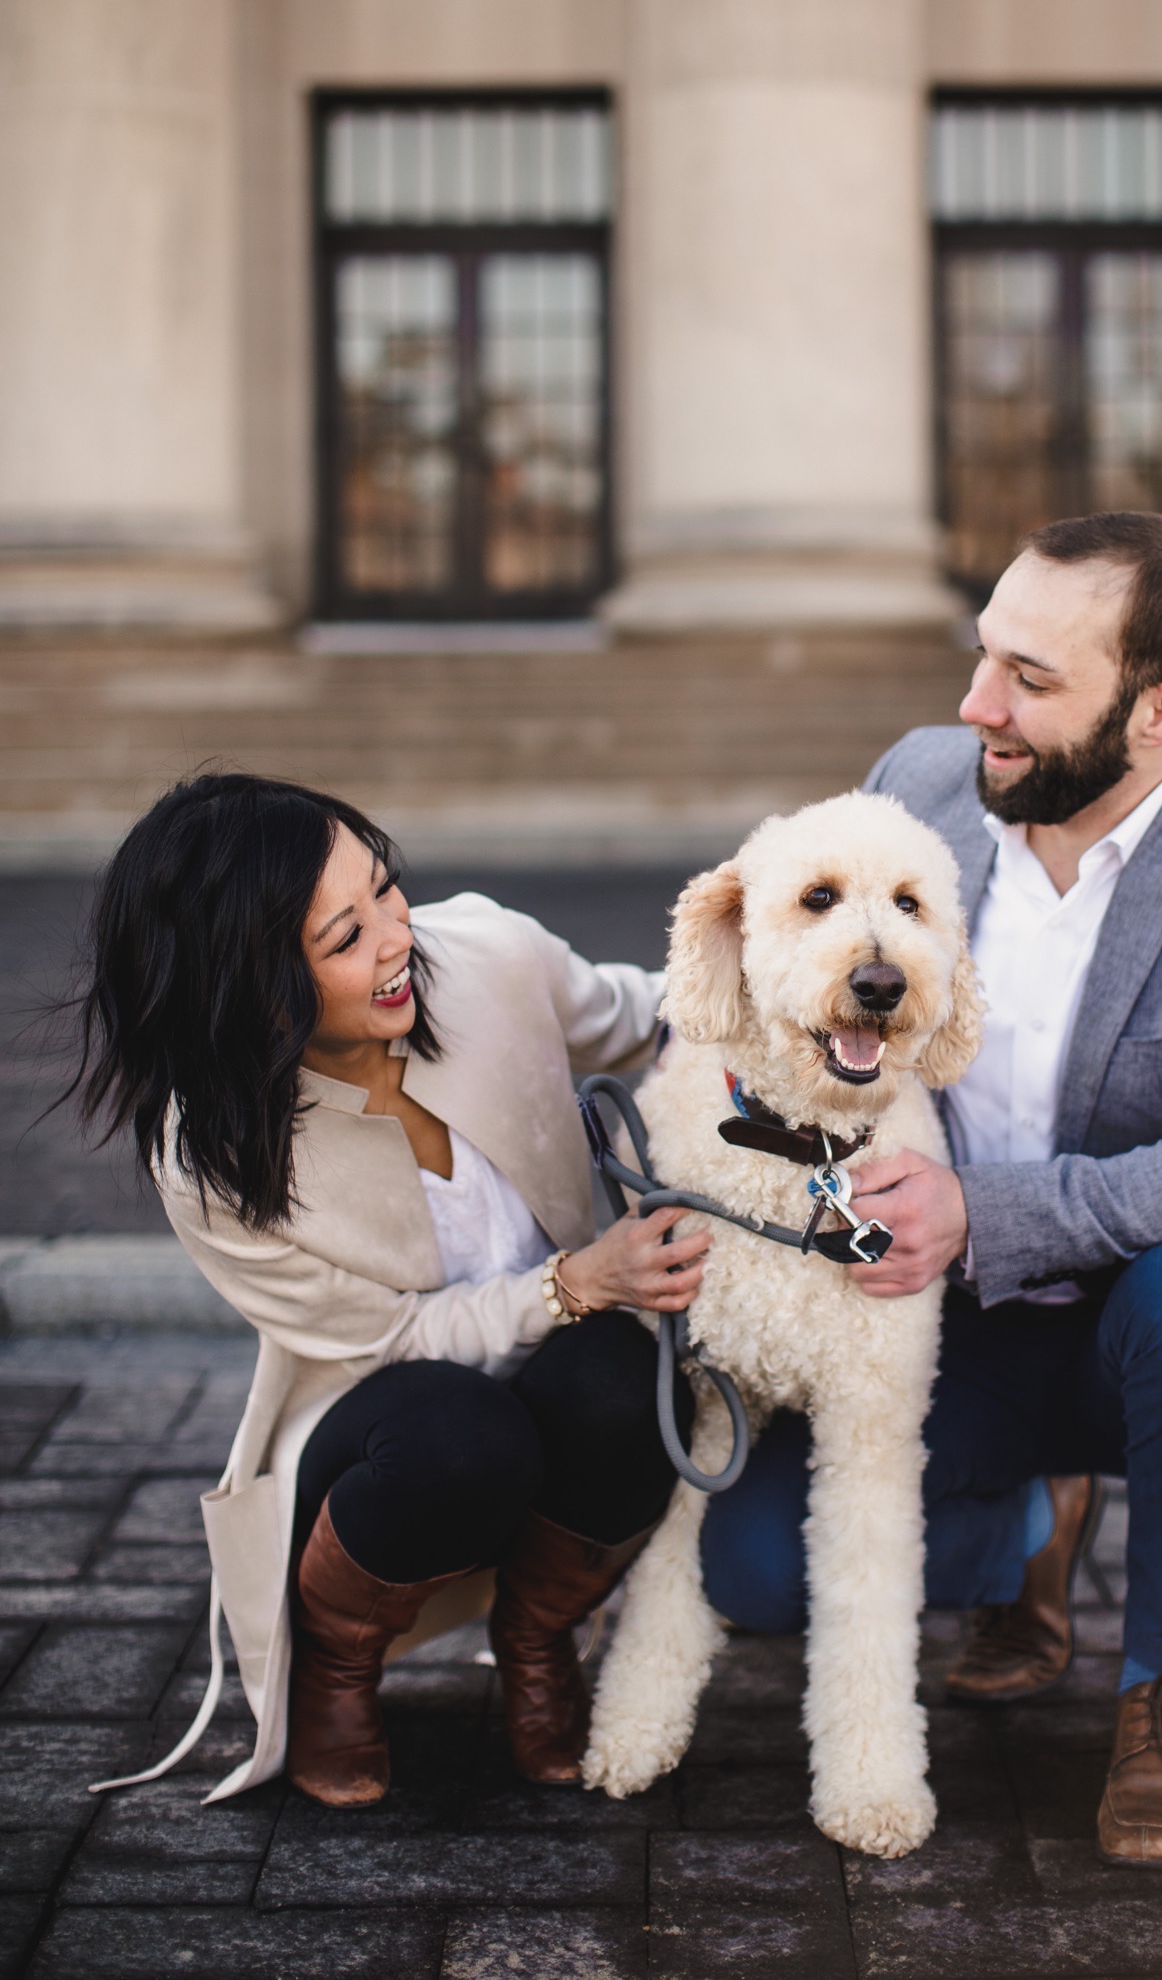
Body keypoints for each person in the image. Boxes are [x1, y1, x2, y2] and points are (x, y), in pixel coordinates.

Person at [699, 511, 1162, 1870]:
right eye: (983, 654)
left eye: (1030, 678)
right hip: (937, 1314)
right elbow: (807, 1003)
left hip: (1151, 1312)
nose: (976, 706)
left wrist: (982, 1213)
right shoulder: (926, 781)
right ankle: (1031, 1526)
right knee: (758, 1574)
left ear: (1158, 709)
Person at [68, 773, 705, 1808]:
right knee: (458, 1429)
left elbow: (652, 1017)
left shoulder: (488, 957)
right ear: (257, 989)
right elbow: (396, 1338)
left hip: (564, 1359)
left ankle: (539, 1642)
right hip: (387, 1412)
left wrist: (806, 969)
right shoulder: (211, 1156)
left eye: (386, 889)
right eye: (344, 938)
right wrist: (573, 1282)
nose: (398, 937)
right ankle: (335, 1661)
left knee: (631, 1376)